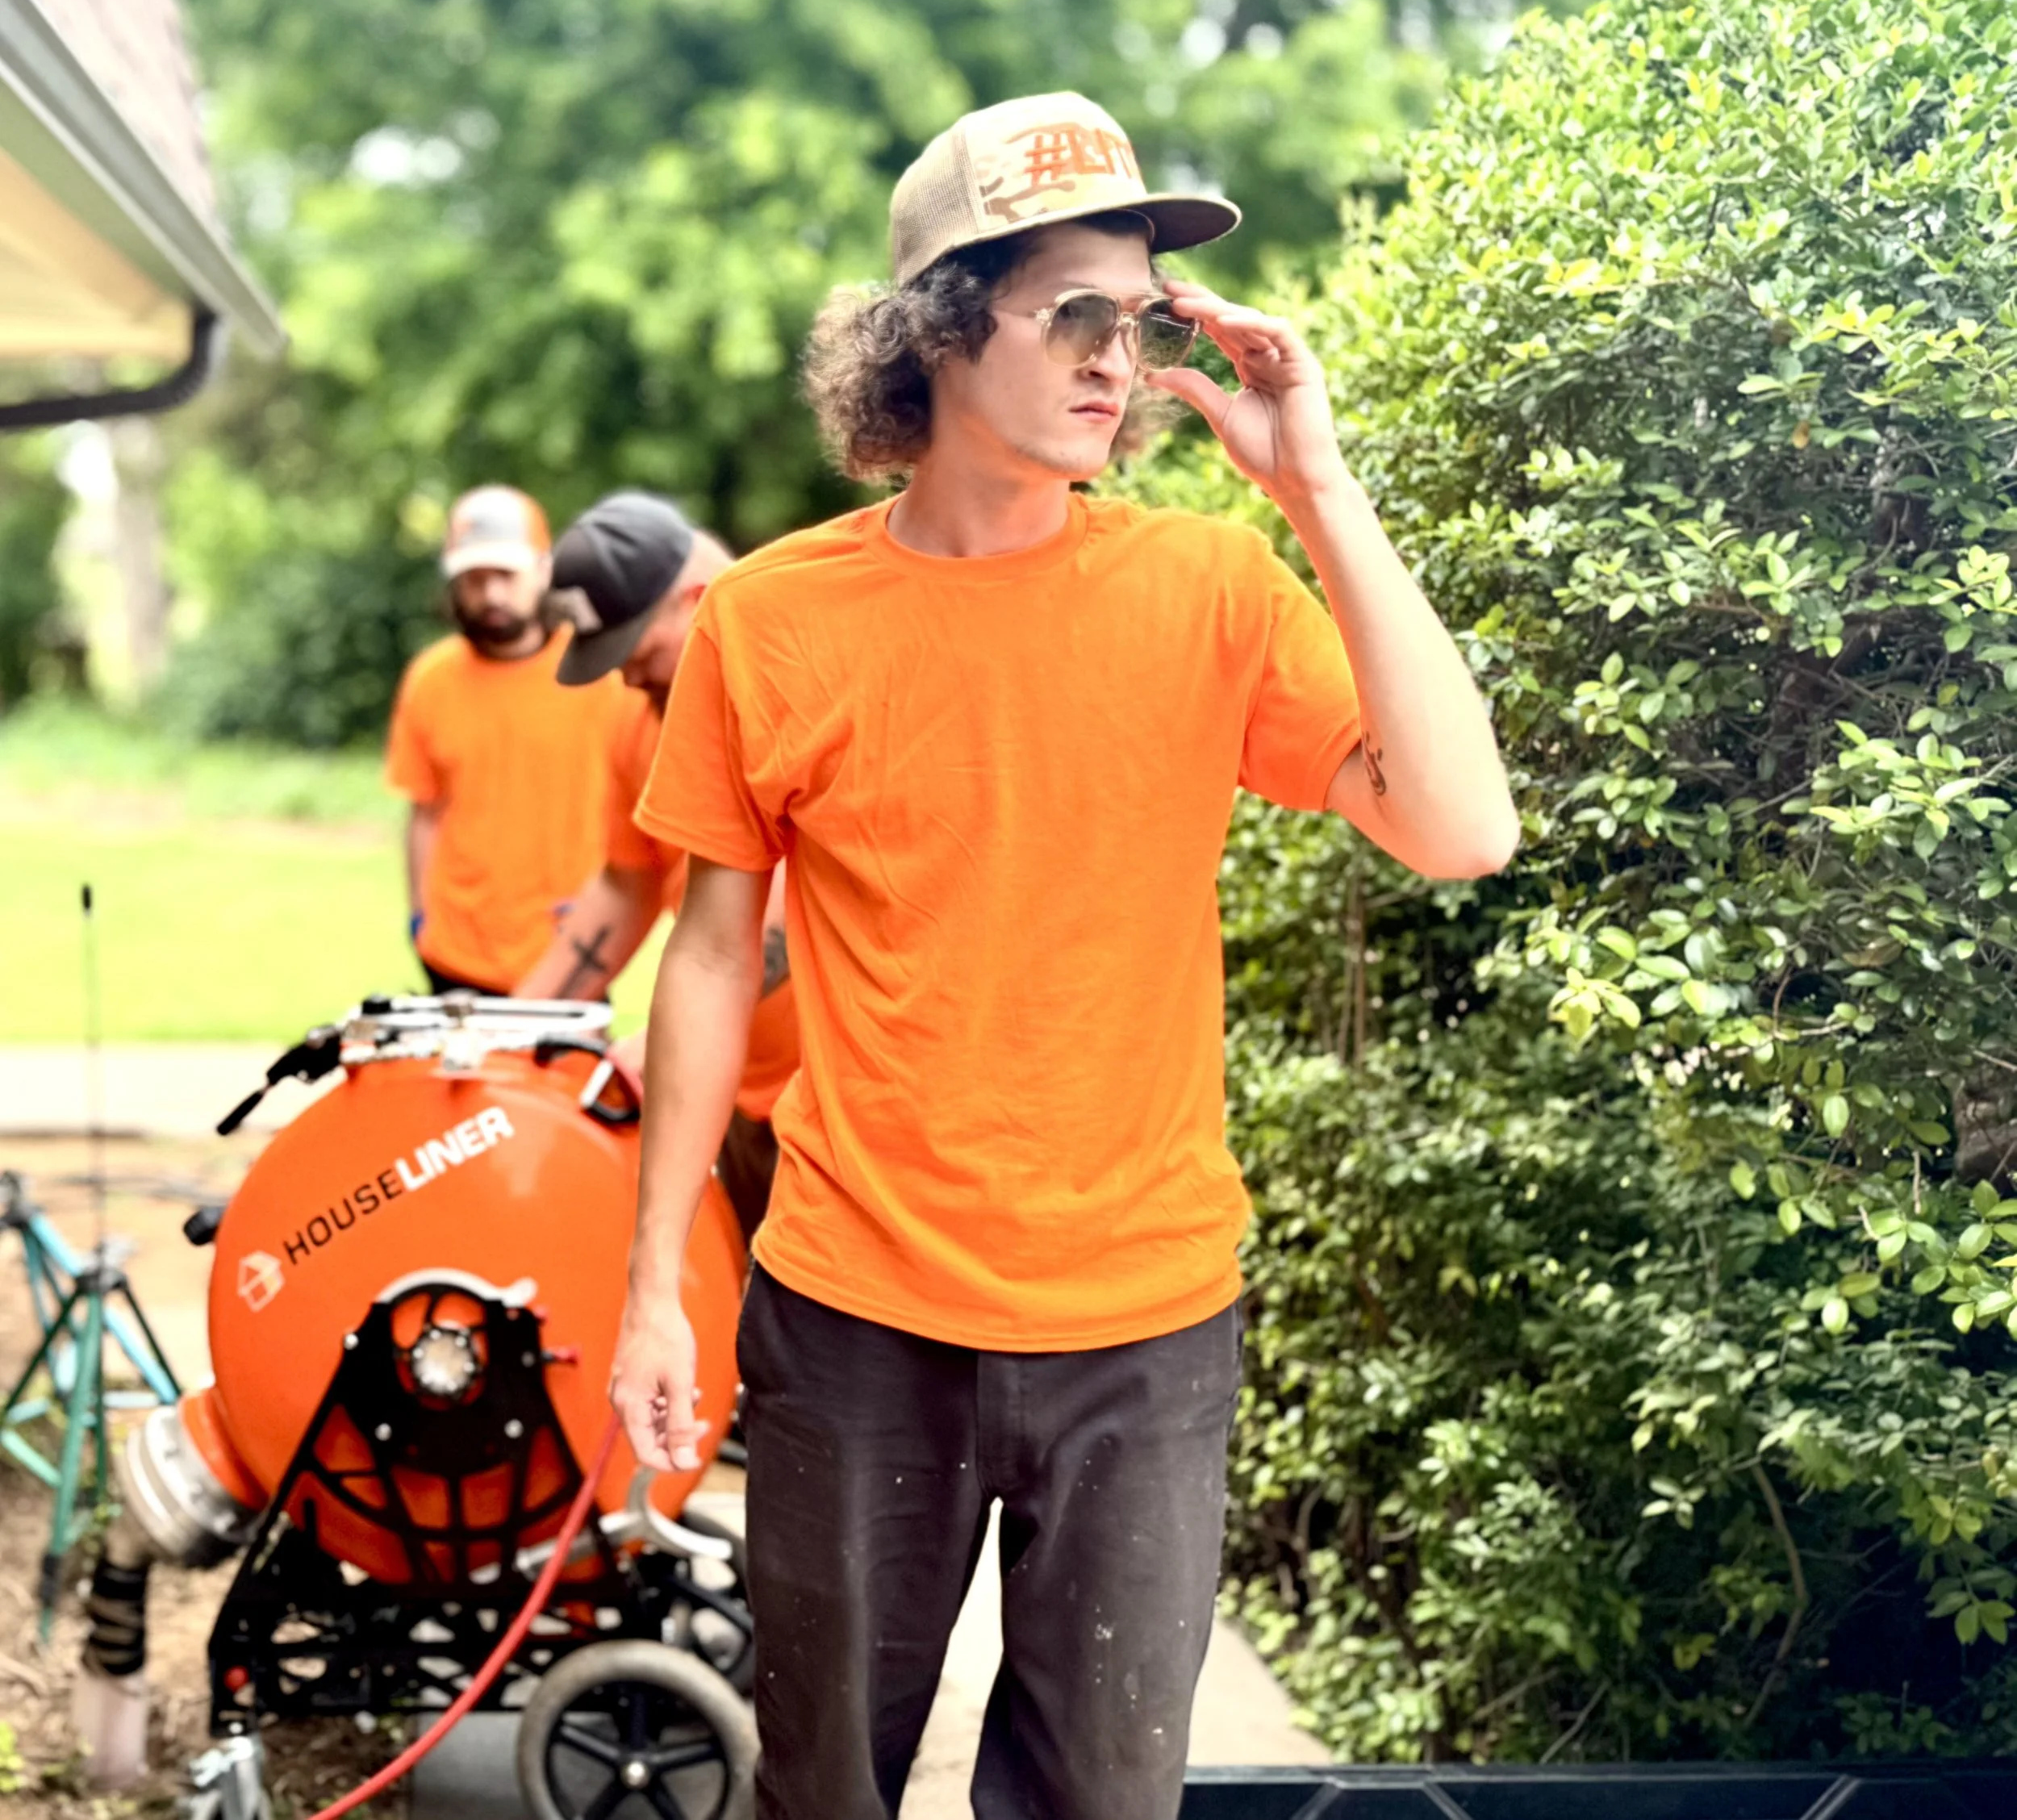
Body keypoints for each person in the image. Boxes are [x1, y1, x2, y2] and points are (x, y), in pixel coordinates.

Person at [611, 91, 1521, 1820]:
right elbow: (713, 959)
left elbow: (1461, 826)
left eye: (1143, 320)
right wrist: (659, 1277)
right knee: (820, 1794)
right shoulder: (772, 624)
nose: (1120, 359)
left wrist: (1315, 487)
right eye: (1074, 316)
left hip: (1143, 1324)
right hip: (852, 1315)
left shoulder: (1208, 590)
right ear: (938, 332)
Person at [517, 490, 799, 1241]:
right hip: (740, 1094)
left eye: (637, 653)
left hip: (843, 1103)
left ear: (697, 599)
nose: (627, 678)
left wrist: (670, 1038)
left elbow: (803, 905)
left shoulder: (802, 677)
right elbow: (625, 882)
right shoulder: (645, 717)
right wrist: (512, 1029)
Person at [384, 483, 628, 996]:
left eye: (505, 575)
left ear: (543, 570)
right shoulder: (430, 679)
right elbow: (424, 813)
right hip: (455, 954)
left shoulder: (600, 676)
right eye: (474, 579)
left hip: (569, 947)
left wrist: (602, 914)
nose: (491, 594)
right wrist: (419, 918)